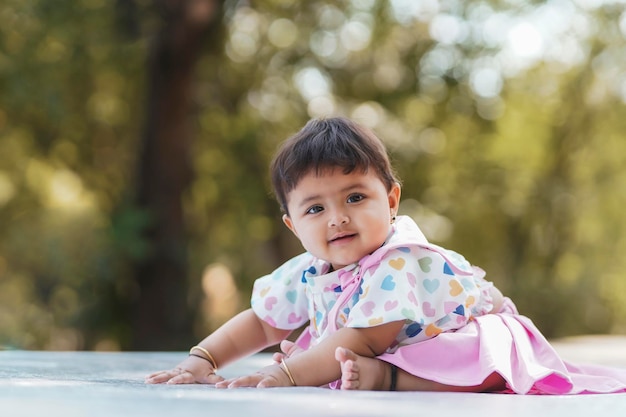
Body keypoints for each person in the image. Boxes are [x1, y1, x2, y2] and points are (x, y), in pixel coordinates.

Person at [146, 117, 626, 394]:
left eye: (355, 198)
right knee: (329, 351)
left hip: (466, 335)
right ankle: (384, 376)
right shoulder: (307, 270)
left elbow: (366, 338)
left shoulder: (401, 260)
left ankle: (392, 380)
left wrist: (282, 374)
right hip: (374, 347)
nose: (337, 217)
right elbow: (262, 321)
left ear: (391, 201)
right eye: (316, 207)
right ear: (293, 226)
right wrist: (202, 359)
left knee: (472, 360)